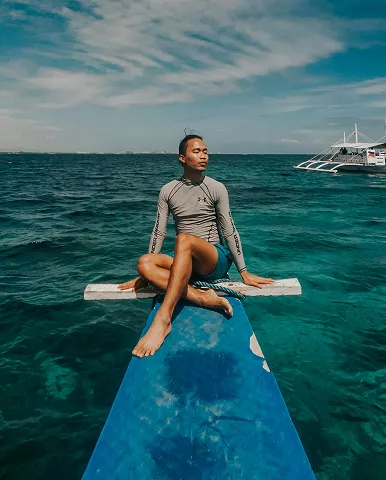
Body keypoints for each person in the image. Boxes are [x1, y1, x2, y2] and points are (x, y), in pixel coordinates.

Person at [118, 135, 274, 358]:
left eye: (206, 151)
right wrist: (146, 277)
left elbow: (230, 230)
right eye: (197, 151)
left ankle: (163, 319)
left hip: (214, 258)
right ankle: (202, 297)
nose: (203, 156)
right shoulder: (168, 191)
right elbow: (158, 232)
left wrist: (243, 271)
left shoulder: (216, 188)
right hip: (186, 260)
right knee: (144, 263)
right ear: (182, 158)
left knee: (184, 239)